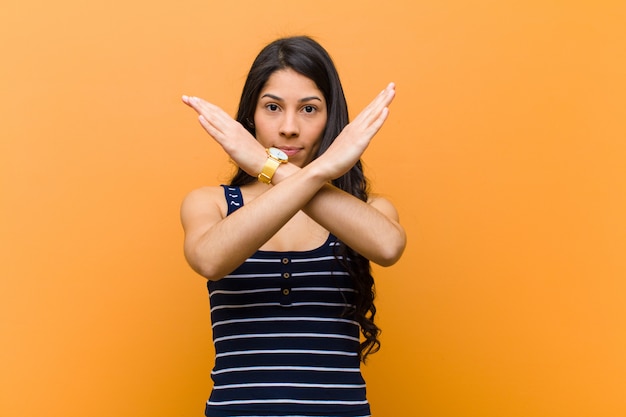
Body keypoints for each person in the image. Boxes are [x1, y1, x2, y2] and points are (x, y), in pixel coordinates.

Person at [181, 36, 406, 417]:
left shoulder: (367, 210)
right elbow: (209, 259)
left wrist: (269, 166)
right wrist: (320, 169)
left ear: (330, 117)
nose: (289, 127)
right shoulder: (213, 203)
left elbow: (388, 247)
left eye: (309, 109)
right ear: (250, 115)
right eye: (273, 107)